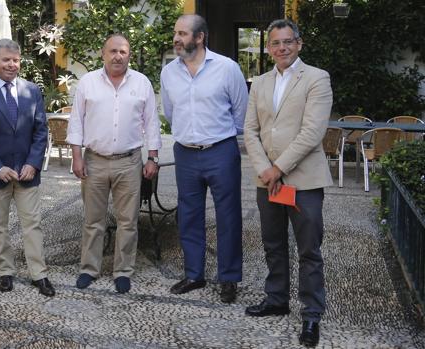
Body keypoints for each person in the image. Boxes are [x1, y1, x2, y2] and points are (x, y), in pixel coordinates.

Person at [243, 19, 333, 348]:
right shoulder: (261, 82)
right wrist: (265, 168)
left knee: (309, 250)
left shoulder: (317, 78)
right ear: (269, 48)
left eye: (288, 42)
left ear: (299, 43)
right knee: (273, 245)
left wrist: (278, 167)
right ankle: (276, 299)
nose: (282, 48)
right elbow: (250, 130)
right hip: (268, 180)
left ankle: (311, 314)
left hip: (303, 180)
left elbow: (312, 133)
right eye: (276, 43)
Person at [160, 14, 248, 303]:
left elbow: (240, 113)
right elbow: (171, 113)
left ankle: (229, 278)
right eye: (176, 33)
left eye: (183, 33)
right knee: (189, 216)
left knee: (228, 216)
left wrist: (217, 137)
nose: (176, 38)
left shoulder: (227, 68)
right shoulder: (169, 72)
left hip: (221, 151)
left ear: (200, 37)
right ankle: (194, 274)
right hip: (185, 153)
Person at [67, 34, 162, 294]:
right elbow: (76, 121)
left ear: (129, 54)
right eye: (112, 51)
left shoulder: (141, 83)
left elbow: (151, 122)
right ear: (103, 53)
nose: (117, 56)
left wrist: (152, 157)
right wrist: (76, 156)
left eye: (122, 51)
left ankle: (123, 271)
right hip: (94, 162)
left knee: (128, 221)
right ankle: (89, 268)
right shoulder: (87, 83)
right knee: (92, 220)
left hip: (129, 162)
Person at [0, 39, 54, 297]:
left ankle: (40, 274)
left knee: (32, 225)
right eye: (6, 60)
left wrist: (33, 163)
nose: (12, 65)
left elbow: (41, 130)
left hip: (27, 173)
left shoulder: (32, 90)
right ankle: (5, 271)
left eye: (16, 60)